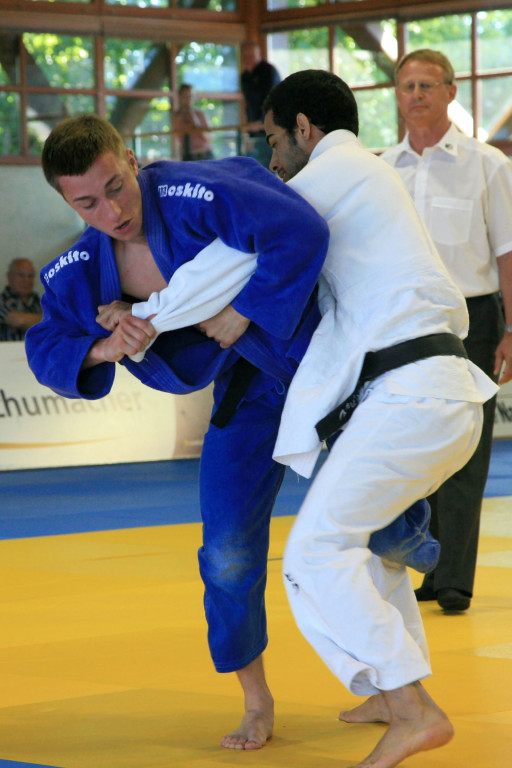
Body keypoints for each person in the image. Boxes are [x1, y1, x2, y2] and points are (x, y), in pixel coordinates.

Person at [25, 113, 330, 751]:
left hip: (315, 367)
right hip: (242, 396)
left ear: (132, 161)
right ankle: (256, 699)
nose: (111, 211)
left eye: (116, 187)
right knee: (225, 554)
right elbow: (45, 344)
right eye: (87, 203)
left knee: (382, 530)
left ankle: (392, 672)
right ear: (66, 203)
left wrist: (245, 310)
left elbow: (299, 227)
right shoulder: (77, 269)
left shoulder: (196, 190)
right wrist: (105, 347)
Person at [262, 69, 498, 768]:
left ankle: (412, 708)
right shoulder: (370, 176)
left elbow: (242, 248)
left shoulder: (329, 175)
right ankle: (382, 689)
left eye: (274, 140)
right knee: (368, 546)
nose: (273, 158)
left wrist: (146, 312)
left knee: (314, 553)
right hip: (435, 393)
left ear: (304, 128)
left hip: (413, 397)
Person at [381, 49, 512, 612]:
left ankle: (455, 578)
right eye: (407, 85)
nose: (415, 95)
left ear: (451, 92)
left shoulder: (488, 165)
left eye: (427, 85)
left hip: (473, 320)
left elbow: (508, 254)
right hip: (403, 322)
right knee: (418, 449)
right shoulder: (383, 170)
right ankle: (432, 568)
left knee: (467, 447)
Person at [240, 41, 280, 167]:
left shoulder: (268, 71)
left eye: (251, 55)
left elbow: (271, 99)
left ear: (259, 54)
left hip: (273, 127)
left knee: (271, 166)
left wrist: (261, 121)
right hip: (255, 131)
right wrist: (249, 124)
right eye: (245, 56)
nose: (248, 59)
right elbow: (248, 103)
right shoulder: (245, 77)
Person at [0, 258, 42, 341]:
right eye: (21, 275)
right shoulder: (2, 301)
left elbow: (56, 322)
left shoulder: (39, 300)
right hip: (9, 349)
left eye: (30, 276)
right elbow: (18, 321)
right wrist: (44, 320)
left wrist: (26, 321)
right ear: (9, 276)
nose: (26, 280)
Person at [173, 83, 215, 161]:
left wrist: (196, 122)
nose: (188, 99)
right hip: (188, 156)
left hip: (205, 155)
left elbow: (210, 136)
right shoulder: (177, 117)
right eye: (185, 96)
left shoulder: (200, 114)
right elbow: (178, 136)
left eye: (190, 96)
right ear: (179, 97)